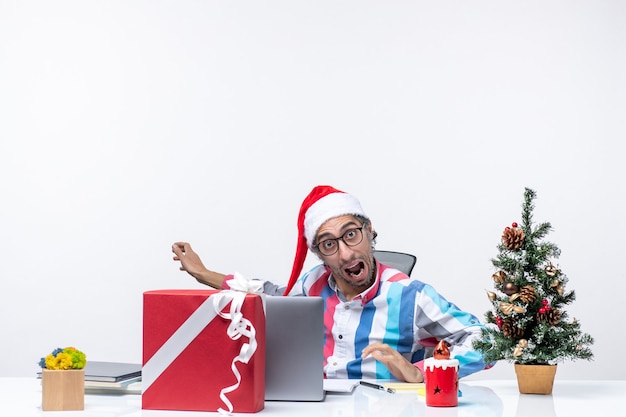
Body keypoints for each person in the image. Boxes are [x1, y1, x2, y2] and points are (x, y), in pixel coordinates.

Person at [172, 185, 490, 382]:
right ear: (319, 254)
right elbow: (269, 295)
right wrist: (204, 273)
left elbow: (488, 341)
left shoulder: (409, 295)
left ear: (369, 230)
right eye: (329, 244)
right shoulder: (313, 285)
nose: (346, 252)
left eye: (351, 234)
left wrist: (422, 372)